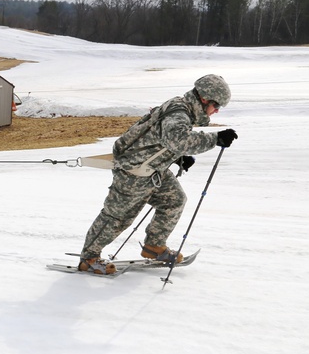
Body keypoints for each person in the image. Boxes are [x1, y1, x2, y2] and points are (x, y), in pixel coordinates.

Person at [77, 74, 239, 274]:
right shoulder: (179, 113)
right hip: (133, 172)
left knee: (174, 200)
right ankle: (89, 257)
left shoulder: (184, 109)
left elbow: (158, 140)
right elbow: (177, 140)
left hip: (153, 170)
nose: (216, 111)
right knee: (117, 217)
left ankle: (154, 246)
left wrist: (176, 158)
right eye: (216, 106)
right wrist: (215, 139)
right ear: (205, 99)